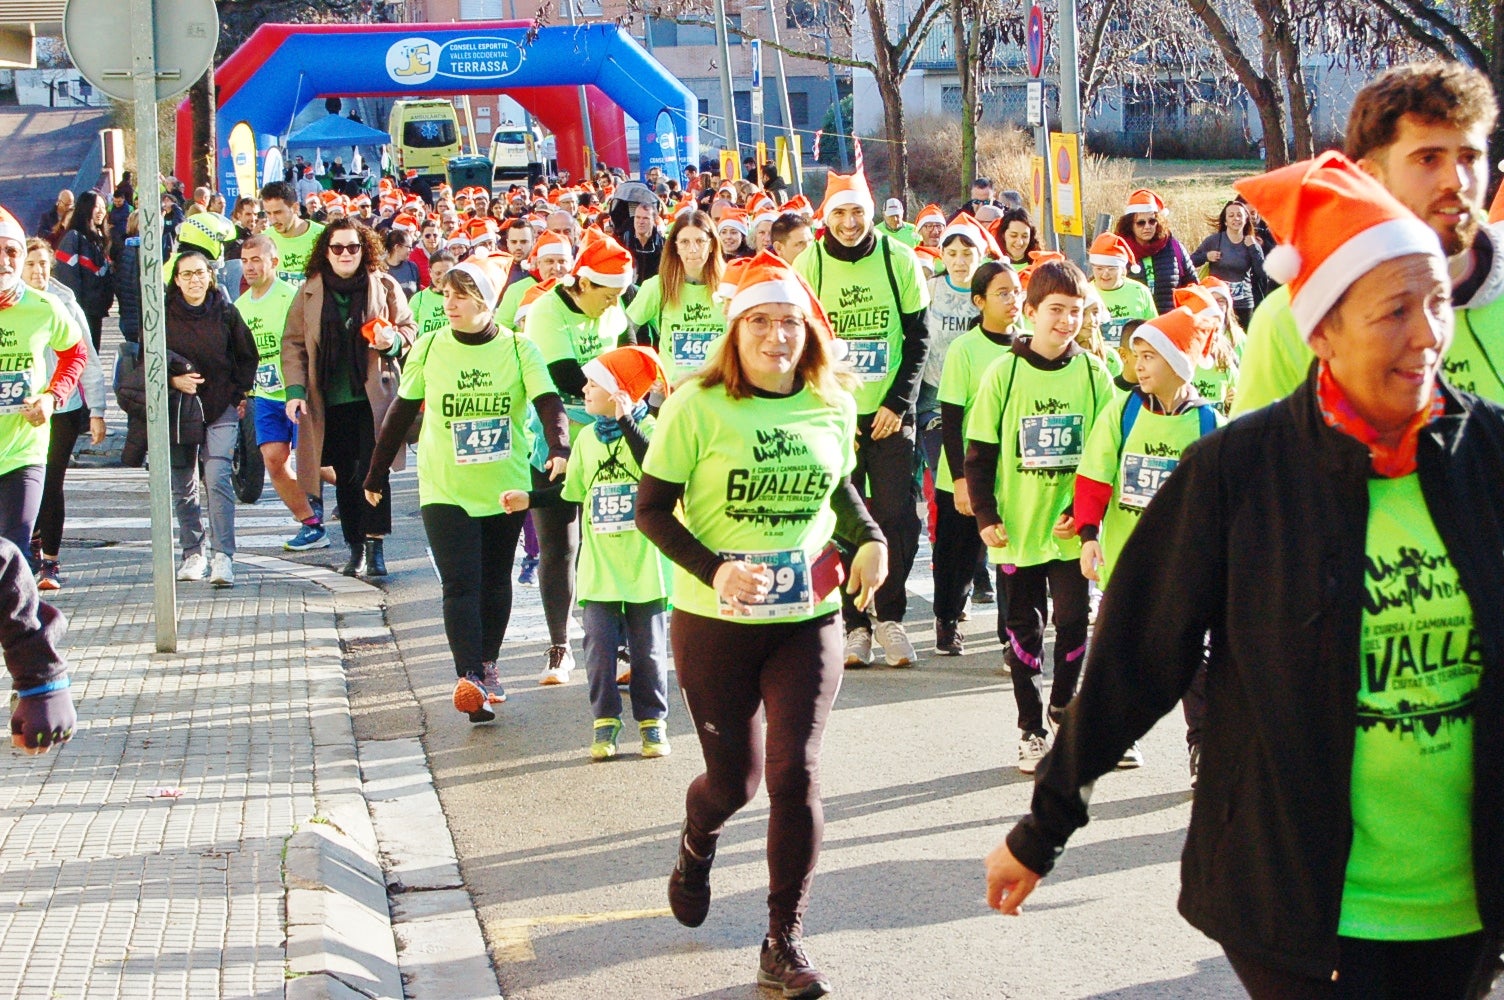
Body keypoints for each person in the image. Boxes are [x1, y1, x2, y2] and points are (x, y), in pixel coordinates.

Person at [985, 149, 1504, 1000]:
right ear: (1322, 328)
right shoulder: (1241, 473)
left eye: (1438, 303)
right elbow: (1138, 656)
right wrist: (1045, 826)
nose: (1427, 336)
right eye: (1393, 311)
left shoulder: (1489, 457)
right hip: (1292, 906)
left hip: (1466, 907)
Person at [636, 252, 888, 999]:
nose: (778, 336)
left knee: (794, 771)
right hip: (716, 619)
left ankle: (783, 941)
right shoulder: (697, 406)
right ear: (735, 332)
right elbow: (651, 510)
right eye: (761, 322)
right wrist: (714, 567)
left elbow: (837, 487)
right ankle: (697, 841)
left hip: (805, 615)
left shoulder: (832, 403)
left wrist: (869, 537)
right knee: (733, 782)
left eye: (790, 322)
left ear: (810, 333)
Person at [363, 256, 569, 722]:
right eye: (446, 294)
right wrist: (376, 474)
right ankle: (469, 677)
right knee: (459, 581)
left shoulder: (519, 349)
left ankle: (489, 664)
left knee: (494, 579)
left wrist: (560, 446)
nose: (449, 303)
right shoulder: (431, 346)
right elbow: (401, 411)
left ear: (486, 302)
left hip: (504, 487)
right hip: (445, 485)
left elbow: (547, 400)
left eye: (461, 296)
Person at [1235, 61, 1504, 416]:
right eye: (1428, 159)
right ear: (1369, 177)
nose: (1457, 181)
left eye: (1470, 157)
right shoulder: (1295, 320)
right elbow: (1254, 463)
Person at [963, 259, 1112, 773]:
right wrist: (985, 516)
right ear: (1029, 312)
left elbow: (1105, 452)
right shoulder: (1003, 373)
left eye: (1075, 311)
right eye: (1055, 310)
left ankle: (1063, 707)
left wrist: (1082, 512)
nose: (1066, 321)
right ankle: (1030, 729)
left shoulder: (1094, 374)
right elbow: (978, 453)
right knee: (1022, 631)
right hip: (1017, 531)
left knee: (1074, 623)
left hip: (1072, 532)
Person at [504, 346, 672, 759]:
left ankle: (652, 723)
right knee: (597, 649)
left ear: (618, 393)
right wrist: (532, 499)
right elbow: (571, 494)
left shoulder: (654, 429)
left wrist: (626, 420)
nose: (583, 390)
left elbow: (654, 470)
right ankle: (605, 722)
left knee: (648, 653)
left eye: (593, 384)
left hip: (644, 568)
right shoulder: (587, 441)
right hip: (600, 570)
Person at [1074, 306, 1221, 773]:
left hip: (1183, 564)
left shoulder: (1206, 423)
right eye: (1135, 355)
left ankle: (1203, 746)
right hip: (1125, 559)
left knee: (1194, 658)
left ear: (1178, 365)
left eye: (1150, 357)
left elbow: (1221, 499)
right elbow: (1095, 476)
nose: (1138, 365)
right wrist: (1088, 535)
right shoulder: (1124, 410)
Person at [793, 171, 929, 669]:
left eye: (857, 213)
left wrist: (897, 403)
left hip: (891, 414)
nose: (849, 224)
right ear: (825, 219)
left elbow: (918, 339)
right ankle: (855, 626)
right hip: (836, 415)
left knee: (897, 519)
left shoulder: (899, 259)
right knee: (845, 521)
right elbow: (804, 342)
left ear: (870, 213)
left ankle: (889, 616)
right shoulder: (811, 263)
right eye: (839, 215)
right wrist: (825, 406)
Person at [520, 235, 633, 684]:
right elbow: (566, 375)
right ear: (583, 284)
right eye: (606, 297)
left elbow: (633, 351)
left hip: (610, 441)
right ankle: (559, 646)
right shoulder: (547, 311)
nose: (612, 306)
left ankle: (618, 646)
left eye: (618, 297)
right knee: (560, 545)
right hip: (558, 439)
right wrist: (616, 383)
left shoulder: (612, 305)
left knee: (609, 538)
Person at [281, 220, 417, 577]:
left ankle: (376, 547)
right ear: (326, 251)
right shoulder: (309, 291)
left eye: (353, 247)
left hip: (374, 396)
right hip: (328, 399)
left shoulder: (383, 284)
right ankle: (355, 548)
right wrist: (295, 392)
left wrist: (395, 341)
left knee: (374, 471)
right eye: (337, 247)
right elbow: (293, 344)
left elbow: (408, 327)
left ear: (365, 249)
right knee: (344, 475)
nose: (345, 254)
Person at [933, 262, 1023, 656]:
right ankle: (947, 620)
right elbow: (951, 421)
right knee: (957, 555)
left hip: (1014, 476)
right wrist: (959, 479)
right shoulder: (964, 348)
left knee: (1010, 557)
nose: (1012, 300)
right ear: (979, 301)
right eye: (1002, 293)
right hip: (965, 470)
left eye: (1016, 291)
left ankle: (1011, 637)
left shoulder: (1029, 346)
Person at [164, 249, 258, 588]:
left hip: (220, 405)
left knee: (217, 476)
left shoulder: (226, 312)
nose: (194, 280)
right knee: (183, 483)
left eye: (200, 273)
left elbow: (247, 355)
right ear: (176, 279)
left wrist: (239, 393)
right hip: (177, 408)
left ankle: (223, 556)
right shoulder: (162, 315)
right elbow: (148, 358)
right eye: (187, 274)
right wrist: (174, 380)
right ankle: (193, 552)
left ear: (211, 275)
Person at [0, 208, 86, 559]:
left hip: (25, 449)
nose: (5, 261)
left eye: (12, 251)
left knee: (13, 554)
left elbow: (75, 354)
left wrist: (52, 397)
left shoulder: (46, 306)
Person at [235, 234, 328, 551]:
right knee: (274, 460)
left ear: (273, 262)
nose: (249, 267)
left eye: (256, 260)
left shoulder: (292, 297)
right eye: (245, 261)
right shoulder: (240, 307)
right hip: (265, 396)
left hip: (299, 394)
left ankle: (369, 487)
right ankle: (311, 524)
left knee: (319, 466)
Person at [22, 239, 106, 591]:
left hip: (63, 407)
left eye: (44, 264)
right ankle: (30, 548)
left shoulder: (64, 301)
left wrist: (98, 410)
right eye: (31, 264)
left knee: (50, 482)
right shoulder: (9, 303)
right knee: (23, 483)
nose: (39, 271)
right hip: (17, 413)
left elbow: (84, 355)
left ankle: (50, 563)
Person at [626, 211, 725, 385]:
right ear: (675, 247)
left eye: (700, 241)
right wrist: (645, 371)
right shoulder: (657, 286)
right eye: (685, 242)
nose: (693, 249)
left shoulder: (730, 287)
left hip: (719, 391)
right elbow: (625, 330)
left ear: (711, 245)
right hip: (670, 392)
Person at [1114, 189, 1197, 313]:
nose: (1147, 226)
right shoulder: (1118, 250)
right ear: (1130, 225)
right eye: (1141, 223)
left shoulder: (1173, 247)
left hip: (1170, 323)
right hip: (1134, 325)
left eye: (1152, 221)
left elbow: (1193, 285)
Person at [1191, 199, 1265, 329]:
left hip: (1244, 303)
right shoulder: (1214, 241)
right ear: (1225, 221)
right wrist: (1206, 256)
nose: (1236, 219)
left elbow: (1263, 273)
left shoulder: (1252, 243)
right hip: (1218, 302)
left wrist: (1253, 248)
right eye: (1231, 215)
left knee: (1242, 343)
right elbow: (1190, 261)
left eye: (1239, 215)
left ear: (1246, 219)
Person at [53, 191, 113, 352]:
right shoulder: (73, 238)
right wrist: (76, 311)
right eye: (96, 206)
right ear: (85, 208)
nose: (101, 211)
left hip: (95, 312)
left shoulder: (97, 241)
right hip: (81, 313)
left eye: (103, 207)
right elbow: (67, 280)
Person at [1086, 232, 1157, 352]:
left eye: (1112, 268)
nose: (1105, 274)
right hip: (1098, 361)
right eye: (1099, 268)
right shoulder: (1085, 293)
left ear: (1123, 269)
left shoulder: (1140, 291)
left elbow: (1154, 330)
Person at [261, 181, 326, 286]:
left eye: (278, 212)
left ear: (295, 207)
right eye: (268, 213)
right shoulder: (264, 239)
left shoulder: (323, 235)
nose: (273, 220)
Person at [622, 201, 665, 283]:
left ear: (654, 221)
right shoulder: (622, 242)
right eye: (638, 217)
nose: (640, 222)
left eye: (645, 218)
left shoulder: (663, 246)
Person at [382, 230, 420, 298]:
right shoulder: (379, 268)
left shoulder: (412, 267)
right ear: (397, 247)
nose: (412, 250)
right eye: (409, 247)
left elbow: (418, 295)